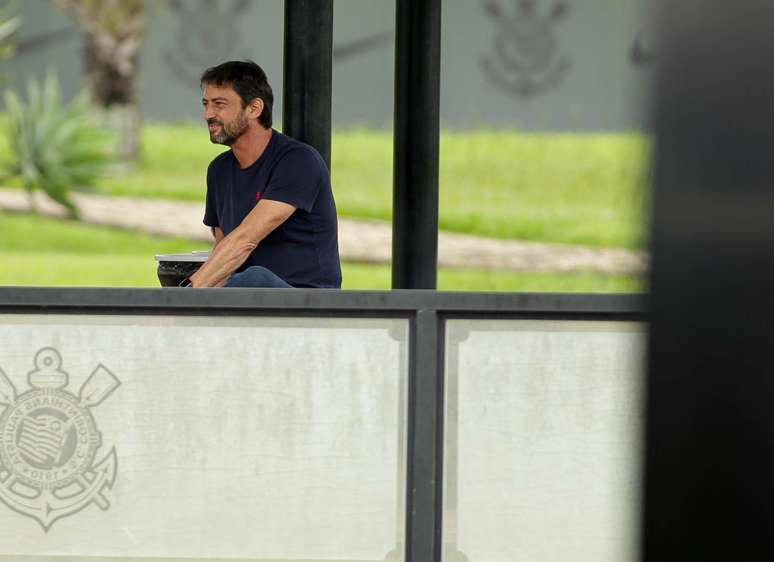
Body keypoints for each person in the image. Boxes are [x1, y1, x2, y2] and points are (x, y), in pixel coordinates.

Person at [180, 60, 341, 288]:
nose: (208, 114)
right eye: (206, 104)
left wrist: (187, 294)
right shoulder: (219, 170)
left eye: (219, 104)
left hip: (306, 304)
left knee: (255, 277)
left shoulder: (298, 161)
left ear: (254, 108)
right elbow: (225, 256)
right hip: (247, 298)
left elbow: (244, 241)